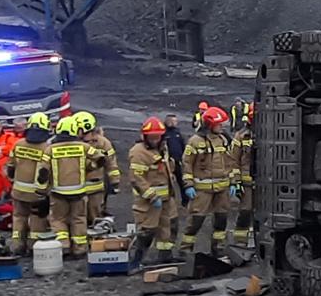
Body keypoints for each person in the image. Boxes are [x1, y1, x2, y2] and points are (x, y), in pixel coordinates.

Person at [177, 106, 233, 256]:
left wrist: (233, 181)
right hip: (202, 189)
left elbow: (229, 162)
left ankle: (218, 249)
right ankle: (185, 251)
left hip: (222, 188)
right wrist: (188, 185)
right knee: (196, 221)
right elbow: (187, 164)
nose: (222, 127)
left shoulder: (222, 140)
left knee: (221, 219)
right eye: (219, 124)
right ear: (209, 125)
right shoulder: (195, 142)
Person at [126, 116, 179, 264]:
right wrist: (151, 196)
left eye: (158, 137)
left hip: (167, 199)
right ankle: (135, 261)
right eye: (152, 137)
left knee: (169, 227)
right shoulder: (138, 152)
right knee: (147, 231)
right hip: (148, 202)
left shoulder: (163, 148)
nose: (155, 140)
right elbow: (136, 178)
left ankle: (165, 256)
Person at [45, 115, 93, 258]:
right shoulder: (83, 146)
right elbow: (101, 158)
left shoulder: (50, 149)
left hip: (58, 192)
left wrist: (41, 189)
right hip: (79, 191)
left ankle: (63, 246)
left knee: (58, 219)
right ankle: (80, 249)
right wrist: (91, 166)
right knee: (78, 219)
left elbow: (43, 171)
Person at [7, 112, 55, 255]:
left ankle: (17, 246)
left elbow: (10, 167)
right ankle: (34, 246)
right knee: (37, 220)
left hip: (18, 191)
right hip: (37, 194)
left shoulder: (18, 144)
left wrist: (13, 181)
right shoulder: (47, 148)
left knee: (18, 218)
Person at [73, 111, 119, 223]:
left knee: (95, 216)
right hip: (76, 188)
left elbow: (111, 163)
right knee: (77, 218)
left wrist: (114, 182)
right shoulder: (73, 142)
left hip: (95, 188)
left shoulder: (102, 143)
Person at [226, 103, 256, 248]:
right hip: (246, 183)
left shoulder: (270, 134)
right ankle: (240, 241)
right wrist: (235, 181)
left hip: (266, 183)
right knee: (246, 211)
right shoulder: (241, 136)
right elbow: (233, 161)